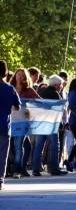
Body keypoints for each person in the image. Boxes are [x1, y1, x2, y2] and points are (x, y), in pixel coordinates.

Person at [33, 75, 68, 176]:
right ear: (56, 85)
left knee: (39, 145)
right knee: (54, 145)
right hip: (51, 123)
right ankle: (54, 168)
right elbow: (59, 109)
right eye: (61, 84)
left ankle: (36, 169)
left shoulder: (41, 92)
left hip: (40, 122)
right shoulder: (55, 94)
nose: (61, 86)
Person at [9, 68, 40, 178]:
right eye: (18, 74)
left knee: (19, 146)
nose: (20, 77)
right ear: (15, 76)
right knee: (22, 146)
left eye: (22, 75)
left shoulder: (29, 90)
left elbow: (40, 102)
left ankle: (18, 170)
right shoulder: (10, 88)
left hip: (23, 122)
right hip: (11, 121)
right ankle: (19, 169)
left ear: (25, 77)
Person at [0, 60, 21, 190]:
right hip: (3, 125)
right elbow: (18, 107)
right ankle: (0, 179)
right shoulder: (10, 89)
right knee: (2, 154)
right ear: (5, 72)